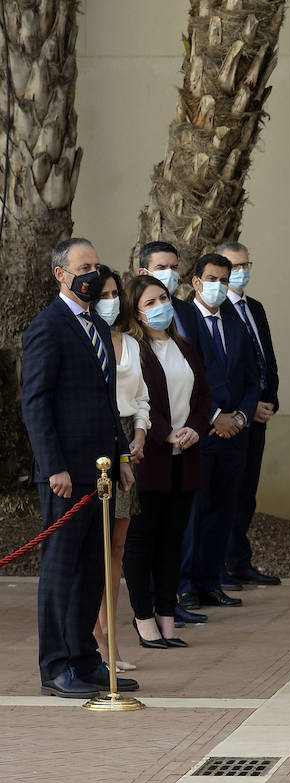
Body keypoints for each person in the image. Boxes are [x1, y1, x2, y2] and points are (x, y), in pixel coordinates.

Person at [21, 237, 139, 698]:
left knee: (93, 569)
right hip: (66, 475)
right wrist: (54, 466)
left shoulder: (93, 325)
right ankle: (55, 667)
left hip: (102, 471)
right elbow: (36, 402)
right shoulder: (48, 327)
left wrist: (123, 456)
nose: (92, 274)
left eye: (95, 265)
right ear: (61, 274)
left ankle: (85, 659)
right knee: (61, 571)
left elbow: (106, 402)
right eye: (83, 267)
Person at [123, 275, 212, 648]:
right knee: (142, 542)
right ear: (138, 313)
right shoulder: (133, 350)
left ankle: (167, 616)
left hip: (185, 459)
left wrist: (193, 428)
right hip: (150, 459)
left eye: (164, 298)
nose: (161, 306)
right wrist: (165, 433)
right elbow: (138, 402)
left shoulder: (185, 347)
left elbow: (203, 398)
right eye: (151, 302)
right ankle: (143, 618)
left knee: (173, 541)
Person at [176, 252, 260, 615]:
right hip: (202, 432)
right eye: (212, 279)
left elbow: (252, 375)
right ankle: (186, 585)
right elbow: (184, 375)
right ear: (196, 282)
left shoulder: (236, 321)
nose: (220, 286)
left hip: (235, 434)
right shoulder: (183, 321)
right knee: (194, 512)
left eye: (224, 280)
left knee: (222, 511)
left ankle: (211, 582)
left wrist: (240, 416)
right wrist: (214, 417)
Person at [94, 265, 150, 673]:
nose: (111, 301)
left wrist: (141, 436)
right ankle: (97, 641)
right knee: (95, 546)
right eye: (103, 294)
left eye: (115, 293)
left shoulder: (130, 342)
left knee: (117, 545)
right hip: (97, 444)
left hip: (129, 442)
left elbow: (142, 398)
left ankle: (110, 639)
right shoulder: (83, 340)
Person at [216, 241, 282, 588]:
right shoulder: (216, 312)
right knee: (228, 492)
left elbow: (265, 358)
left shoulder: (253, 307)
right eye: (233, 266)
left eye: (245, 265)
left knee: (247, 494)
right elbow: (225, 370)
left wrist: (270, 400)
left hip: (260, 414)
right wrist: (247, 406)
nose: (241, 272)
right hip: (234, 416)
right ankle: (221, 564)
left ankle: (241, 561)